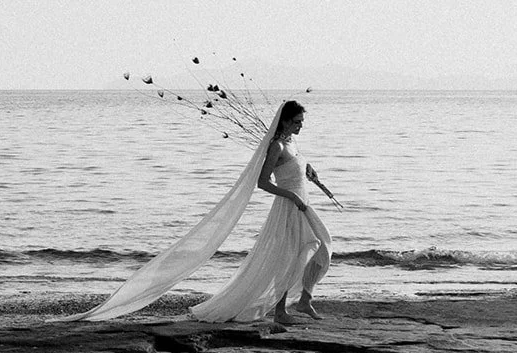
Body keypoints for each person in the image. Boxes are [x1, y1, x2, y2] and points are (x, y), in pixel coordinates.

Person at [84, 100, 331, 325]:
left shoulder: (292, 143)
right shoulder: (275, 146)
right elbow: (263, 182)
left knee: (320, 245)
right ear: (285, 121)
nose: (300, 126)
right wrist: (292, 196)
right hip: (289, 206)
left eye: (301, 122)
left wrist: (307, 169)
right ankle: (281, 310)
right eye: (297, 121)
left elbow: (293, 166)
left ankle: (304, 298)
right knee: (289, 256)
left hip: (302, 203)